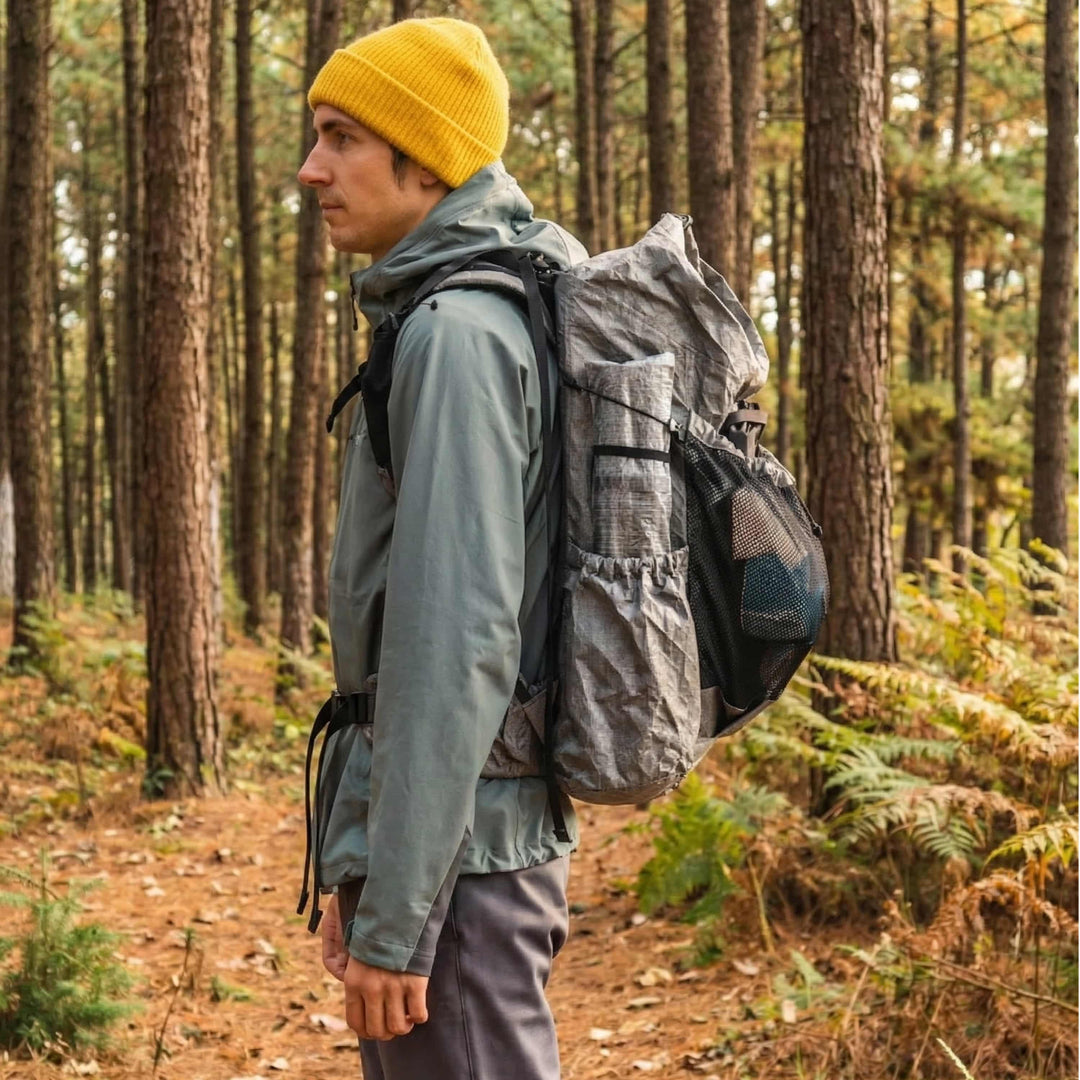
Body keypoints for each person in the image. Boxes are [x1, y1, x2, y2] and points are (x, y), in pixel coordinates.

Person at [297, 17, 586, 1079]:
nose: (312, 168)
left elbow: (453, 642)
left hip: (463, 862)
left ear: (427, 161)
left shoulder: (457, 337)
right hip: (463, 844)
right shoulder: (465, 314)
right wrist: (366, 865)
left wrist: (401, 913)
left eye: (342, 138)